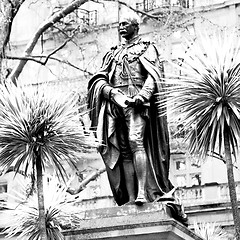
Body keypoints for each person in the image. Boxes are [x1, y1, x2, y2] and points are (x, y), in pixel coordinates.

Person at [87, 12, 173, 206]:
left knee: (136, 142)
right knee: (123, 149)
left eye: (125, 24)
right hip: (115, 103)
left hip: (137, 101)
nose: (121, 27)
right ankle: (131, 197)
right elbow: (100, 78)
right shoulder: (112, 52)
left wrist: (142, 96)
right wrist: (110, 93)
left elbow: (153, 76)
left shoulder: (147, 48)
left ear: (136, 27)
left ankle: (143, 191)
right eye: (119, 24)